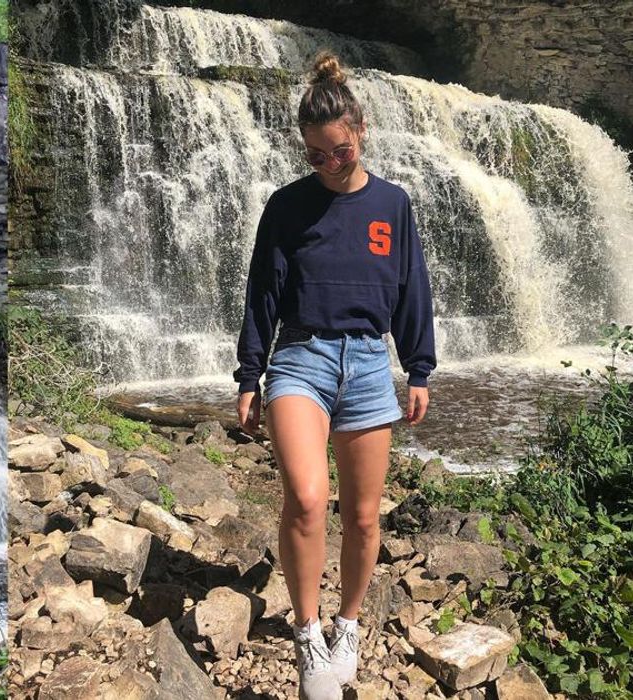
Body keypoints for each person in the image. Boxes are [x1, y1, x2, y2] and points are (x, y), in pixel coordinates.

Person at [232, 50, 436, 699]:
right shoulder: (286, 207)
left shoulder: (392, 205)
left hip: (371, 363)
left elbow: (411, 290)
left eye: (338, 151)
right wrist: (247, 375)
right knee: (307, 497)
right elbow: (262, 291)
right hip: (300, 358)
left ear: (360, 131)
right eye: (314, 155)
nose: (327, 164)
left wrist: (419, 367)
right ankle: (306, 631)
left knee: (367, 517)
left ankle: (347, 624)